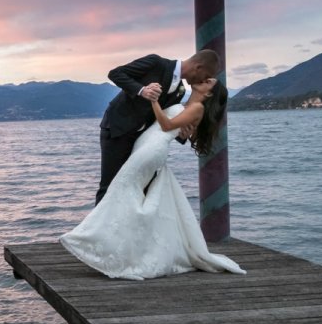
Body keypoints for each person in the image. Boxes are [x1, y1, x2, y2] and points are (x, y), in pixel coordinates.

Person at [59, 77, 245, 280]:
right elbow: (176, 129)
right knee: (125, 193)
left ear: (209, 93)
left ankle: (94, 239)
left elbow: (166, 125)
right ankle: (118, 244)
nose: (204, 80)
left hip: (151, 150)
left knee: (121, 192)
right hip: (146, 145)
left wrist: (153, 100)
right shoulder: (188, 105)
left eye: (208, 82)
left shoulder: (197, 107)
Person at [96, 50, 220, 205]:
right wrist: (142, 90)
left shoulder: (180, 90)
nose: (204, 80)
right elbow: (115, 73)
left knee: (138, 187)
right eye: (206, 76)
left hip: (142, 140)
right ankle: (99, 228)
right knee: (109, 185)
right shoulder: (156, 63)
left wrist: (181, 135)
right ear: (198, 67)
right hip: (117, 129)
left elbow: (163, 118)